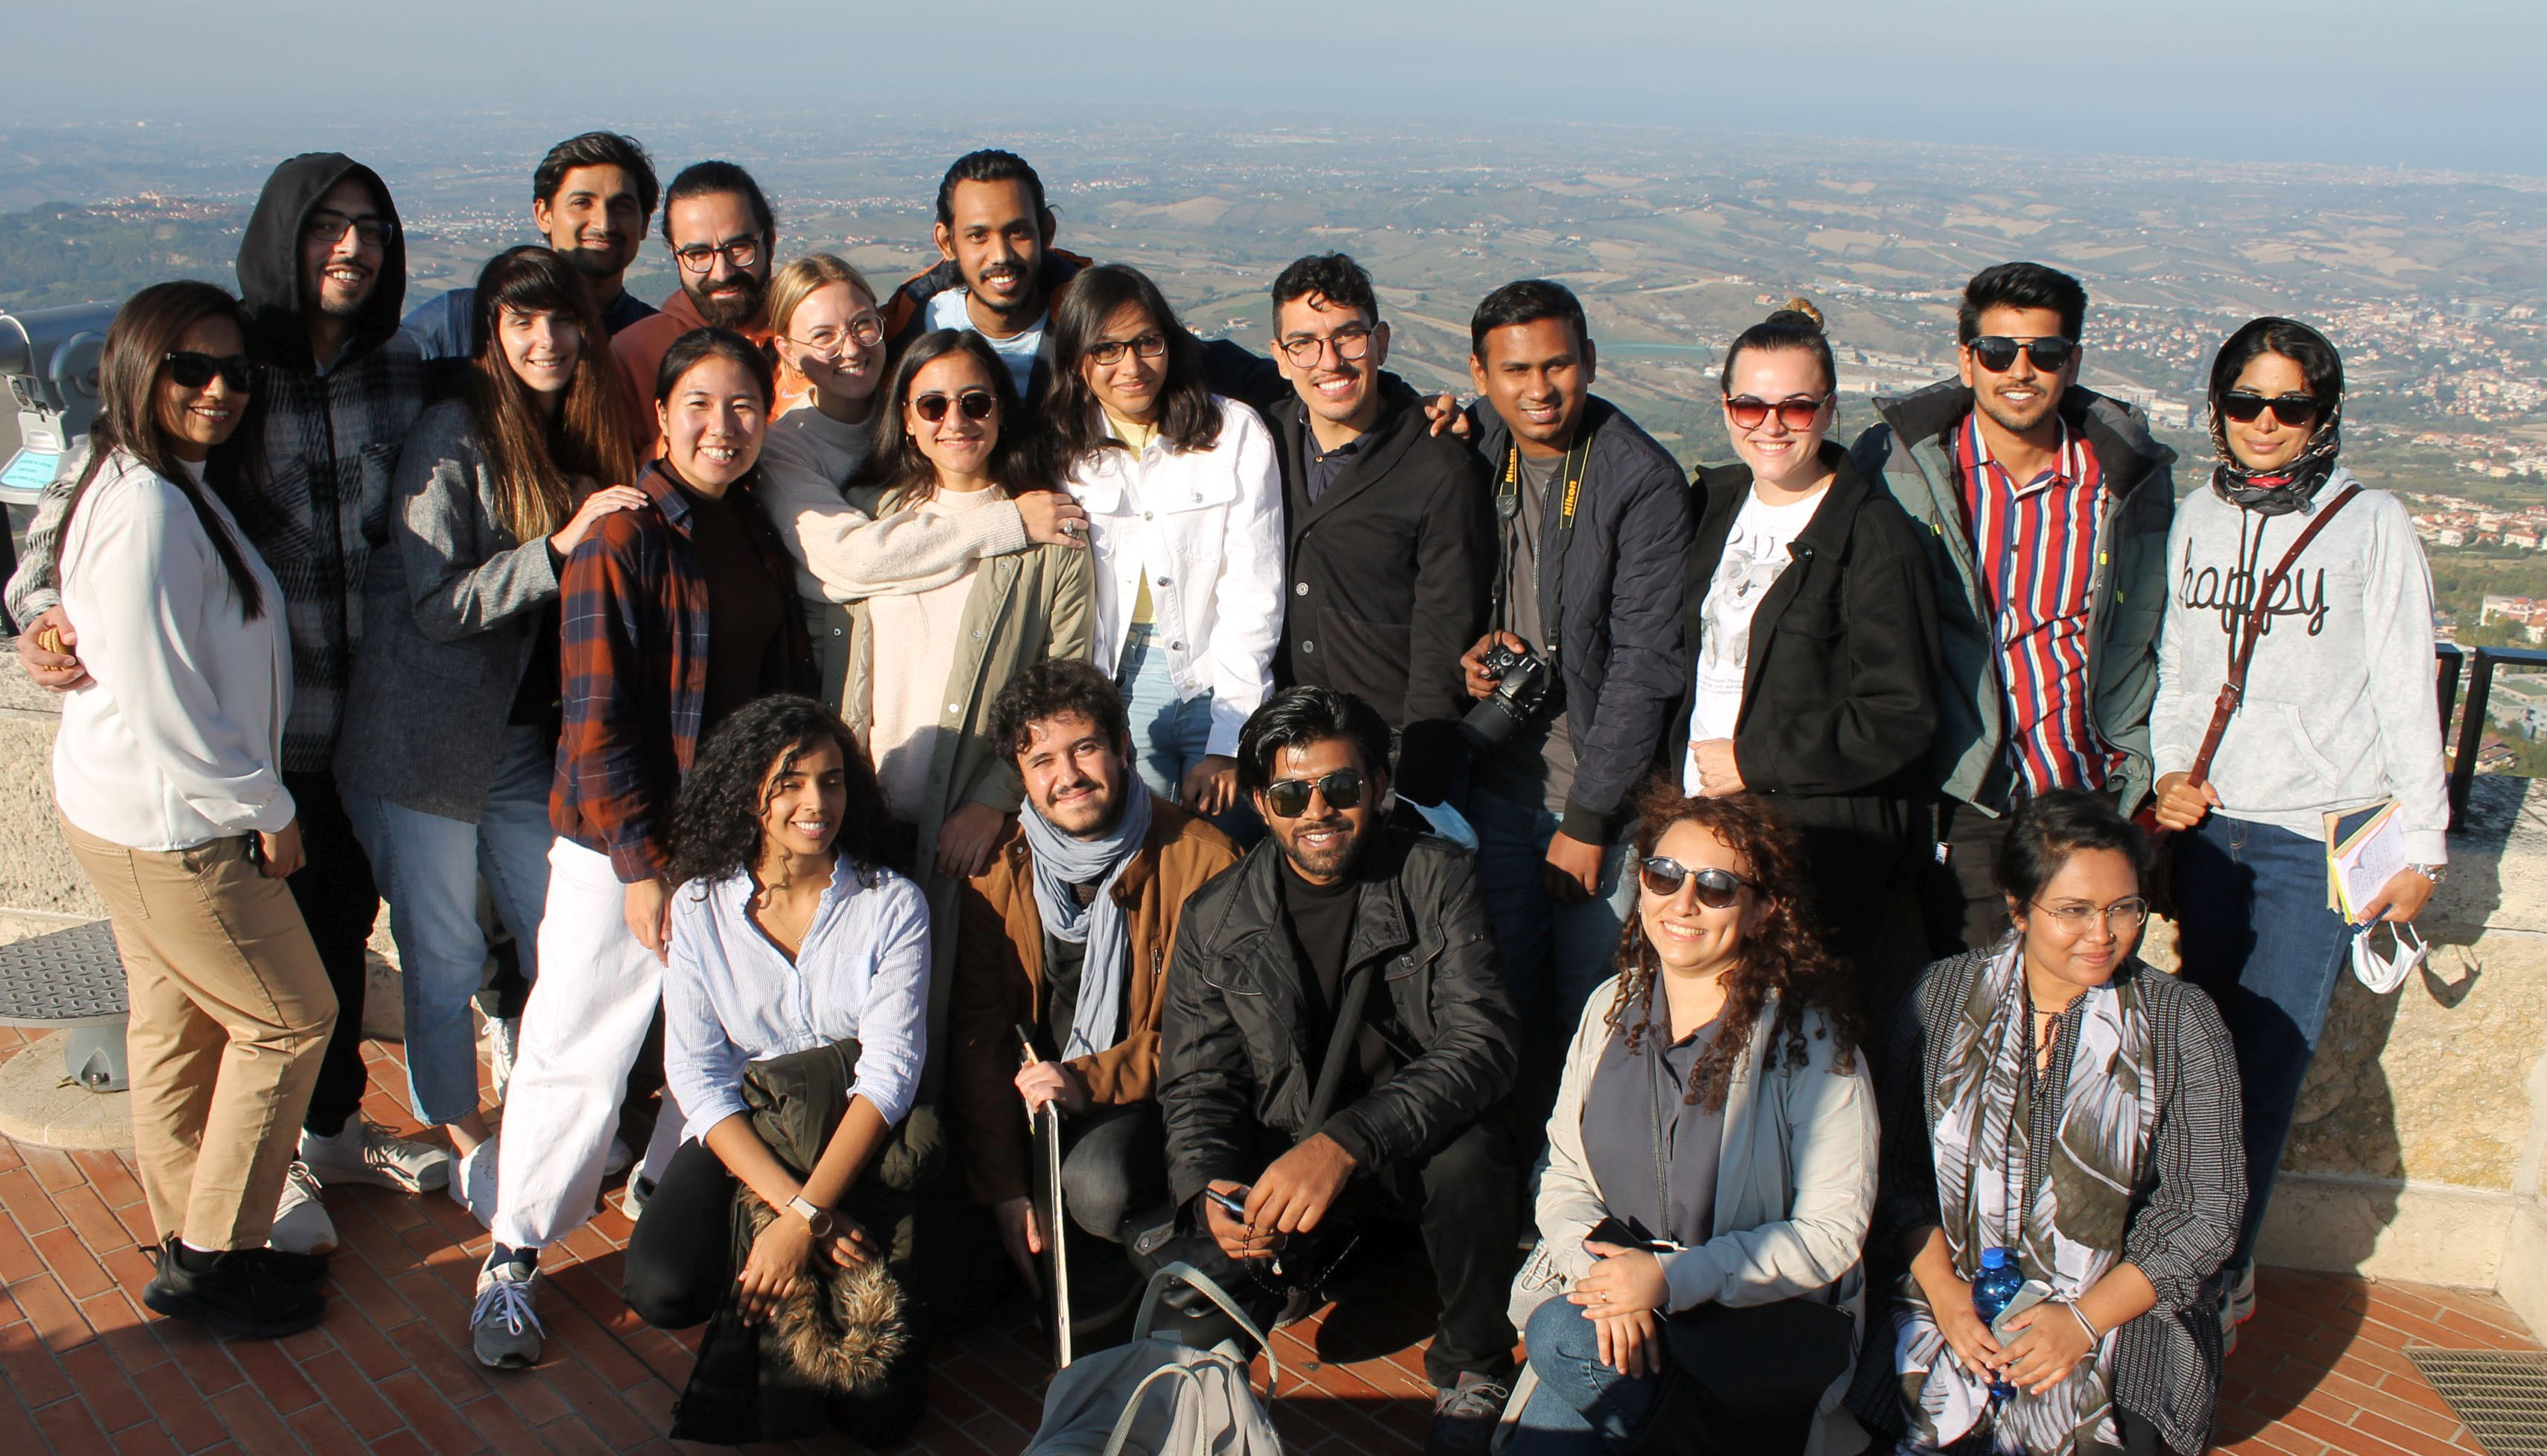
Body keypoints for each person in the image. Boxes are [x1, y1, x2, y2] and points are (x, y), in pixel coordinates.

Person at [13, 153, 443, 1241]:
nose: (351, 248)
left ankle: (329, 1137)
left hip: (364, 725)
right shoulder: (216, 353)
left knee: (341, 929)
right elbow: (62, 528)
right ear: (282, 234)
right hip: (239, 747)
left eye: (373, 230)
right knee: (248, 994)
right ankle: (246, 1187)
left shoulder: (400, 367)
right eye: (327, 226)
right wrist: (40, 622)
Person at [472, 328, 814, 1369]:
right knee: (576, 1044)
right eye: (700, 405)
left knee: (727, 1041)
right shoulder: (624, 536)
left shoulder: (752, 526)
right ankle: (511, 1258)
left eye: (745, 406)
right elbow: (596, 717)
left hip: (732, 844)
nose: (724, 426)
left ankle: (664, 1195)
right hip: (623, 847)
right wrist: (640, 864)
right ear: (658, 418)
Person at [2149, 317, 2446, 1349]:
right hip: (2208, 832)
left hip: (2311, 838)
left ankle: (2218, 1278)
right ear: (2218, 409)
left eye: (2289, 406)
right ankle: (2180, 1257)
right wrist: (2168, 776)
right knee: (2191, 1063)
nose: (2265, 424)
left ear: (2321, 415)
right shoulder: (2196, 517)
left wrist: (2423, 849)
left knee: (2262, 1067)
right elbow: (2183, 672)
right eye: (2244, 403)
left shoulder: (2371, 523)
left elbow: (2410, 685)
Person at [48, 282, 336, 1338]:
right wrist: (267, 803)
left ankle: (191, 1234)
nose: (219, 391)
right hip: (176, 827)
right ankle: (215, 1256)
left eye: (235, 374)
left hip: (133, 813)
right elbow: (162, 695)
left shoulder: (157, 479)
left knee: (174, 1027)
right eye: (191, 369)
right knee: (289, 1019)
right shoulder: (150, 508)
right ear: (136, 367)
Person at [336, 246, 644, 1212]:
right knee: (443, 953)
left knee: (560, 936)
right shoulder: (453, 433)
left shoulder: (575, 431)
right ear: (489, 338)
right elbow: (436, 602)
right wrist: (558, 548)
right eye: (522, 322)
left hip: (518, 743)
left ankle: (550, 1112)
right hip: (421, 747)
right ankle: (462, 1132)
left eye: (560, 321)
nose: (546, 340)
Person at [1157, 686, 1523, 1456]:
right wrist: (1209, 1186)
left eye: (1341, 786)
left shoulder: (1435, 876)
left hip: (1395, 1143)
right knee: (1184, 1313)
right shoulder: (1214, 915)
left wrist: (1348, 1141)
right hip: (1284, 1149)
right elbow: (1198, 1080)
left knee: (1472, 1155)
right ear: (1262, 804)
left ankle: (1471, 1363)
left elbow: (1482, 1040)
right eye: (1292, 793)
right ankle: (1297, 1279)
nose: (1317, 810)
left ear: (1380, 787)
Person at [1849, 791, 2244, 1456]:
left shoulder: (2181, 1021)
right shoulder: (1943, 999)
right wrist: (1946, 1295)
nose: (2103, 934)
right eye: (2074, 911)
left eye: (2124, 908)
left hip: (2117, 1307)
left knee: (2121, 1429)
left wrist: (2080, 1323)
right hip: (1954, 1289)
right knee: (1889, 1413)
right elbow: (1899, 1175)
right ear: (2017, 908)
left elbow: (2206, 1210)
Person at [1507, 788, 1876, 1456]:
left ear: (1763, 909)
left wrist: (1672, 1279)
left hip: (1744, 1329)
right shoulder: (1610, 1006)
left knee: (1559, 1349)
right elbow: (1561, 1173)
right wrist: (1605, 1285)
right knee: (1566, 1343)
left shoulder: (1810, 1040)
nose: (1682, 902)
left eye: (1715, 887)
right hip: (1613, 1321)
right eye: (1664, 875)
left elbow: (1830, 1235)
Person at [626, 693, 931, 1443]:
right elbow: (697, 1077)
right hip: (753, 1127)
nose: (815, 802)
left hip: (857, 1128)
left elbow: (890, 1073)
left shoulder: (891, 905)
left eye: (831, 781)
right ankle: (760, 1260)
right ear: (746, 792)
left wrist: (801, 1219)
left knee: (879, 1408)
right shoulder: (699, 906)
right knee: (659, 1285)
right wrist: (801, 1216)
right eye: (789, 782)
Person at [1847, 263, 2175, 954]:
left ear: (2073, 362)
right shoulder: (1902, 469)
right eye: (1998, 352)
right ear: (1967, 361)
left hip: (2087, 788)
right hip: (1965, 794)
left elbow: (2156, 627)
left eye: (2045, 353)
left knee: (2079, 1016)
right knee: (1956, 1013)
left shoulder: (2126, 480)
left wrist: (2141, 761)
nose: (2020, 370)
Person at [1668, 300, 1939, 1025]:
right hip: (1700, 841)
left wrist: (1755, 760)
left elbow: (1901, 717)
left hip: (1809, 860)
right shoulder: (1713, 506)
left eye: (1796, 405)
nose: (1771, 424)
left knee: (1793, 1061)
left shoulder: (1874, 538)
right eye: (1749, 404)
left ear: (1828, 410)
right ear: (1725, 405)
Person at [840, 329, 1091, 1074]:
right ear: (907, 419)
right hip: (866, 815)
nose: (956, 420)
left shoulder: (1051, 536)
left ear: (1001, 413)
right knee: (866, 1018)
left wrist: (993, 798)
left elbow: (1065, 685)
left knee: (961, 1020)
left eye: (976, 401)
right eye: (934, 403)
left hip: (968, 827)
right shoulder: (869, 521)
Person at [949, 659, 1240, 1301]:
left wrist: (1087, 1081)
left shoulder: (1201, 858)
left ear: (1123, 748)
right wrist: (1004, 1189)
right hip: (1038, 1103)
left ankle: (1168, 1249)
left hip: (1145, 1100)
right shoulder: (1002, 867)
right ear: (1021, 777)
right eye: (1043, 761)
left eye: (1085, 749)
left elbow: (1215, 1037)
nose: (1069, 777)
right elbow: (980, 1033)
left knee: (1096, 1188)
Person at [1455, 279, 1692, 1036]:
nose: (1538, 389)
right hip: (1493, 787)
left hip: (1597, 802)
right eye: (1515, 371)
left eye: (1556, 365)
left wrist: (1588, 821)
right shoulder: (1473, 445)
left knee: (1595, 1018)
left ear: (1588, 360)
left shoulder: (1639, 480)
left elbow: (1645, 661)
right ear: (1479, 374)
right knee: (1499, 1003)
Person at [758, 253, 1088, 708]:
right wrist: (1009, 524)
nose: (851, 349)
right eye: (824, 337)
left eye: (862, 326)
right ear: (787, 350)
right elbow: (851, 562)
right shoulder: (784, 450)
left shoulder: (930, 403)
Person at [1048, 262, 1283, 826]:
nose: (1131, 366)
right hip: (1113, 686)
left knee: (1226, 858)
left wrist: (1228, 740)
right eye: (1106, 349)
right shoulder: (1060, 452)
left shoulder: (1234, 433)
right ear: (1079, 362)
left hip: (1217, 675)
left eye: (1146, 342)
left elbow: (1256, 592)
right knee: (1134, 861)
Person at [1262, 253, 1493, 814]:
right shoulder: (1260, 440)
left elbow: (1444, 639)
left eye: (1349, 337)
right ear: (1280, 357)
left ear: (1381, 342)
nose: (1330, 361)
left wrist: (1416, 790)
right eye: (1305, 344)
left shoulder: (1439, 468)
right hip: (1285, 749)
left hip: (1386, 757)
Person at [402, 131, 660, 363]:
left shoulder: (656, 341)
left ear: (644, 223)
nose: (604, 224)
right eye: (582, 203)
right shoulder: (460, 323)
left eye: (622, 207)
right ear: (543, 214)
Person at [881, 150, 1090, 404]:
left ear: (1045, 232)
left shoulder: (1093, 329)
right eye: (978, 236)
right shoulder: (905, 332)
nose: (1001, 255)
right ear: (947, 243)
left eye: (1018, 232)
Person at [612, 161, 777, 458]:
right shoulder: (635, 354)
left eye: (739, 248)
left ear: (771, 241)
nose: (722, 272)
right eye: (697, 254)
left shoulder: (819, 332)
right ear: (675, 256)